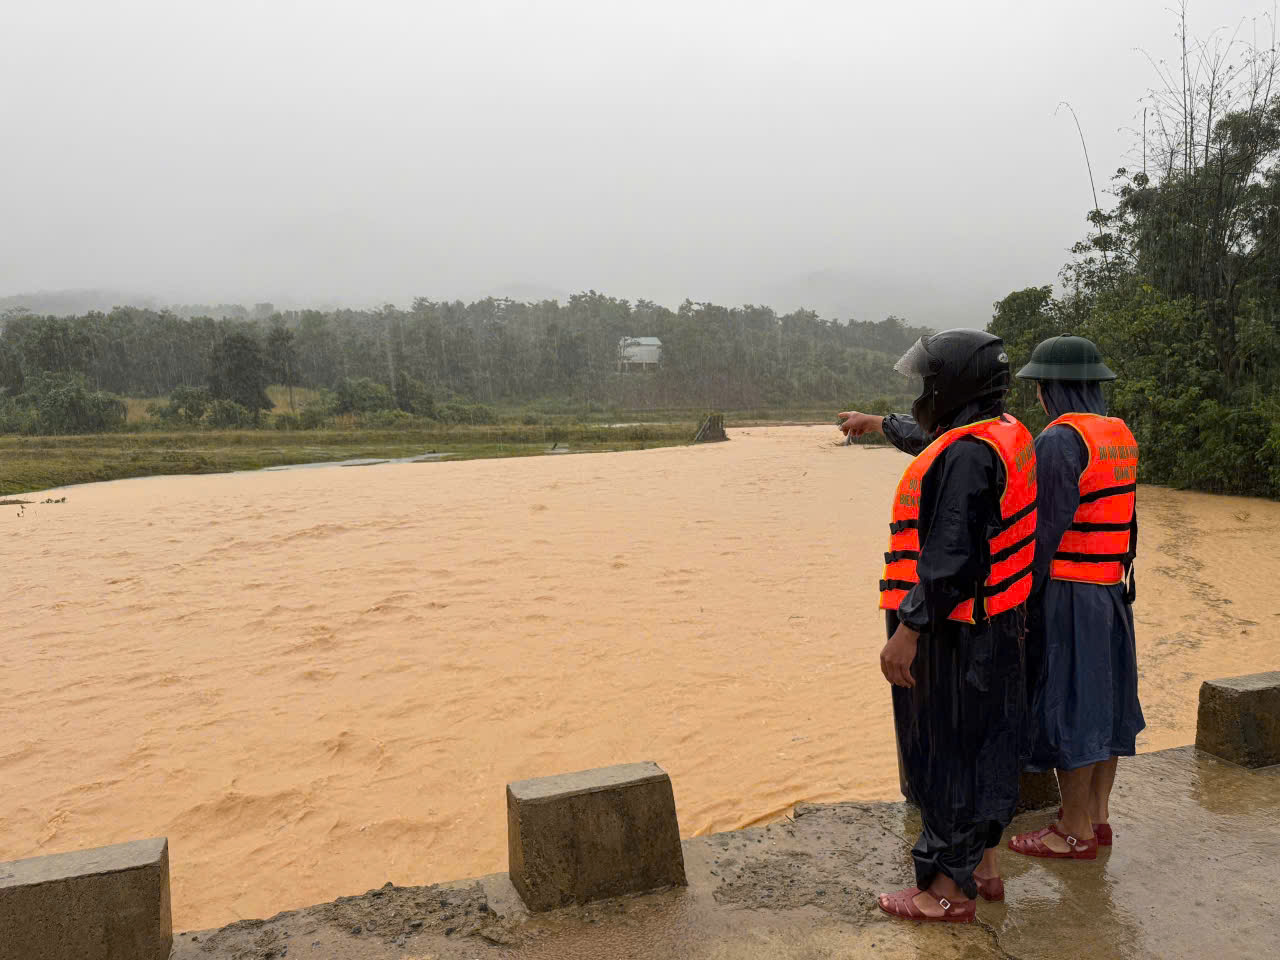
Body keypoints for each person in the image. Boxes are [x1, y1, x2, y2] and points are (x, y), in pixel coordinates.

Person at [839, 329, 1037, 923]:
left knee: (942, 754)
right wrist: (878, 423)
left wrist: (909, 629)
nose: (922, 394)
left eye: (927, 383)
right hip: (997, 624)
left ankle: (943, 894)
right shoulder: (1001, 434)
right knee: (986, 748)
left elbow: (950, 554)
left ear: (950, 387)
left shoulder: (969, 454)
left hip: (951, 633)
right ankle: (983, 868)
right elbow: (930, 441)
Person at [1006, 335, 1144, 860]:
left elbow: (1041, 536)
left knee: (1073, 708)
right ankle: (1098, 817)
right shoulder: (1118, 434)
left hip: (1070, 595)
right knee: (1106, 707)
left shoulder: (1060, 442)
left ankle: (1072, 831)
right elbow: (1126, 519)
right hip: (1111, 591)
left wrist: (1021, 603)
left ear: (1050, 391)